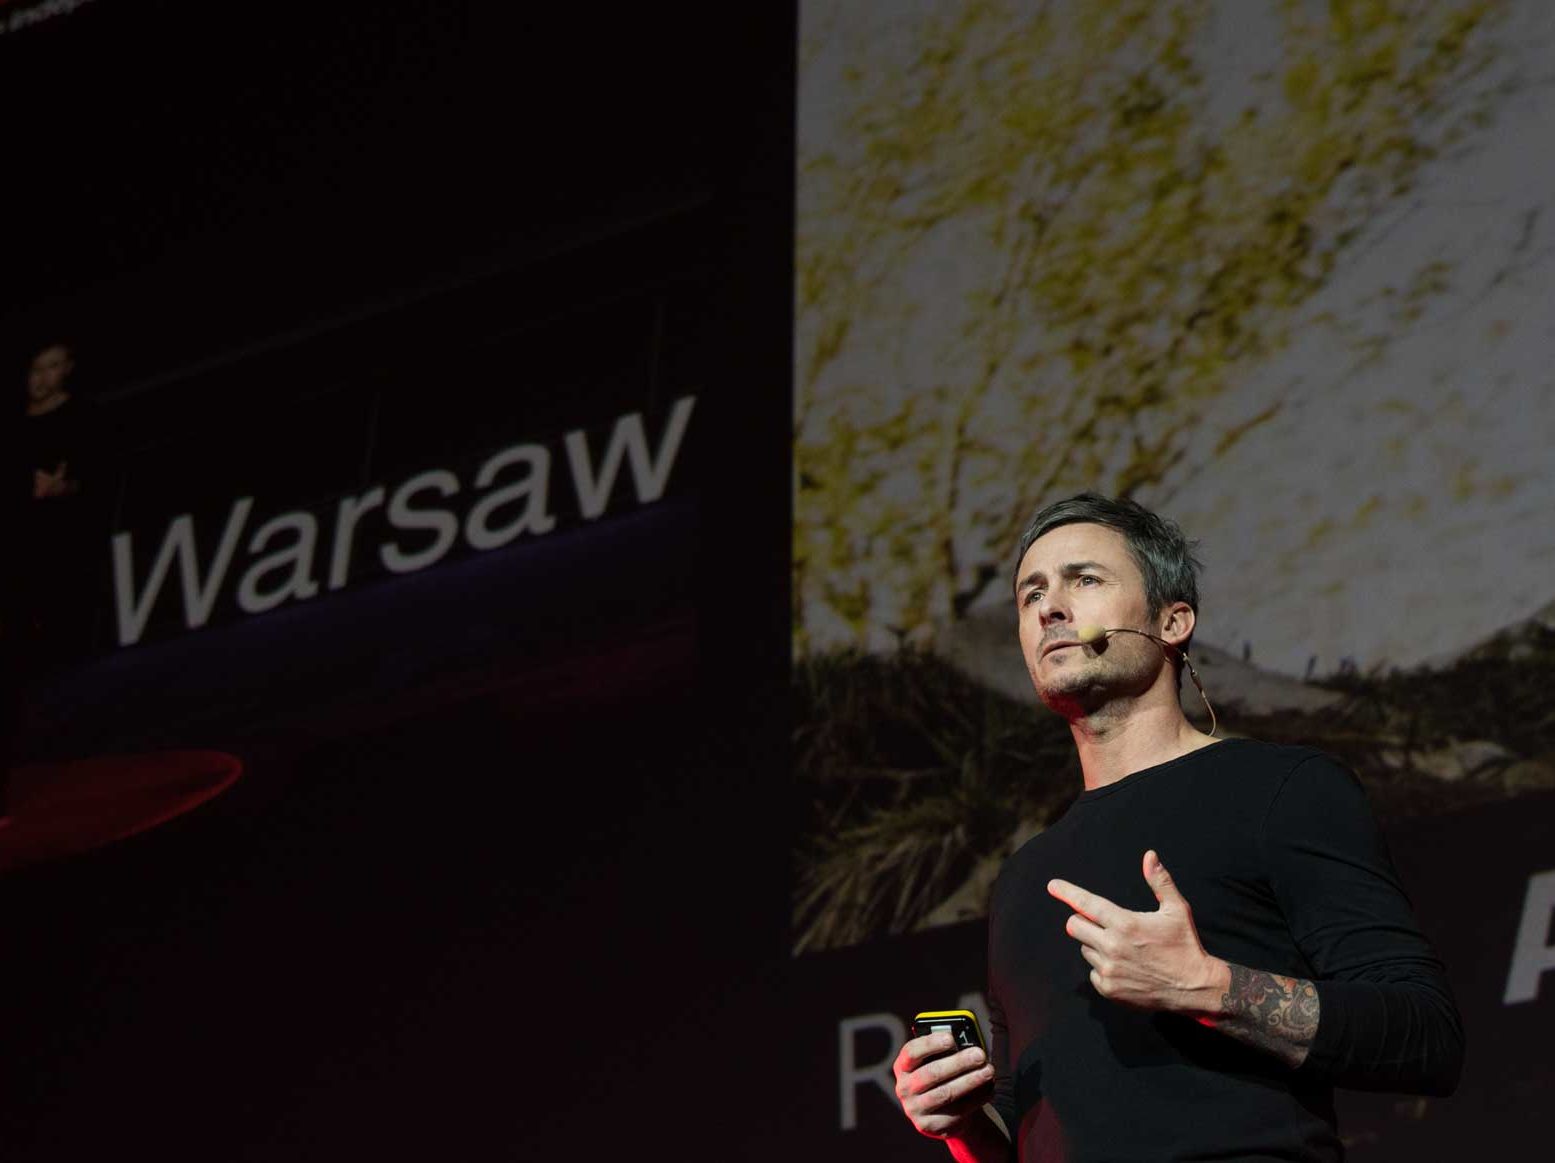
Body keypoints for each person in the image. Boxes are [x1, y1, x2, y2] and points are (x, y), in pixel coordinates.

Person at [892, 493, 1463, 1162]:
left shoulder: (1280, 788)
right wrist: (961, 1123)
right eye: (1029, 594)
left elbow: (1426, 1035)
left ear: (1172, 620)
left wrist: (1205, 985)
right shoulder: (1025, 874)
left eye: (1084, 579)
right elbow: (1025, 1132)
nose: (1048, 607)